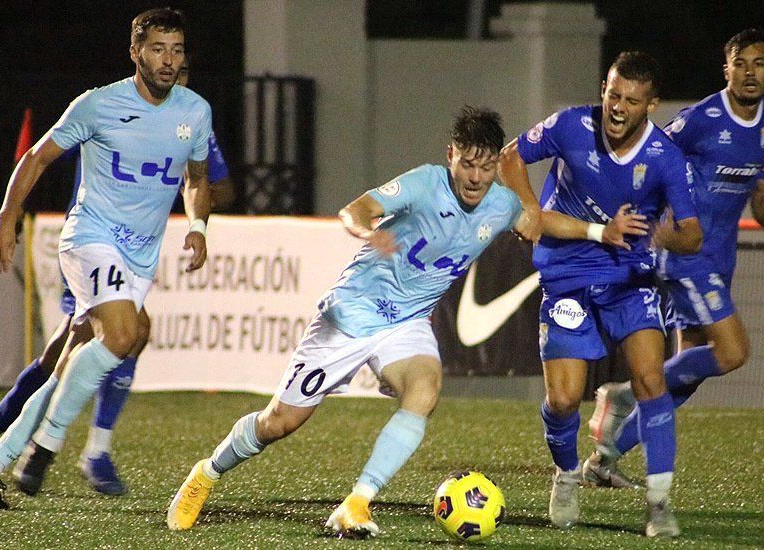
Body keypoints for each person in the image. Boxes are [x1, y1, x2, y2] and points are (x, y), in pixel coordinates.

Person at [166, 106, 533, 537]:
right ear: (450, 155)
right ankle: (206, 473)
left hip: (407, 322)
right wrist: (366, 231)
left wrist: (601, 233)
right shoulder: (424, 182)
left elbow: (541, 223)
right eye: (467, 164)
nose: (475, 176)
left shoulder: (501, 204)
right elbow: (355, 210)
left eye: (486, 167)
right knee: (278, 423)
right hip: (352, 315)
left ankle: (356, 502)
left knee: (424, 390)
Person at [0, 7, 212, 509]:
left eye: (177, 50)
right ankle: (45, 448)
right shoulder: (98, 105)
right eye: (158, 49)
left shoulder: (194, 110)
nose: (168, 61)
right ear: (136, 53)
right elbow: (35, 158)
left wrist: (198, 225)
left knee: (96, 350)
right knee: (122, 334)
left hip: (140, 254)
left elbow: (198, 178)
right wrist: (6, 218)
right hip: (91, 238)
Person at [498, 52, 702, 538]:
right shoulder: (570, 125)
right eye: (613, 94)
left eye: (631, 100)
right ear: (603, 90)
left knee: (652, 380)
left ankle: (658, 503)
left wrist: (660, 234)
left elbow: (692, 234)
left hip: (628, 276)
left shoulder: (664, 158)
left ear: (650, 106)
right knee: (564, 399)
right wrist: (530, 208)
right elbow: (509, 156)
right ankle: (567, 472)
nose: (617, 107)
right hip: (566, 270)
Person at [584, 29, 764, 493]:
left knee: (687, 376)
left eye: (759, 64)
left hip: (720, 259)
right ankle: (623, 395)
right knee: (734, 352)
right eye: (740, 63)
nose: (750, 72)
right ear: (727, 70)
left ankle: (605, 457)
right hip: (683, 252)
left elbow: (762, 192)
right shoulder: (700, 119)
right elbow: (653, 150)